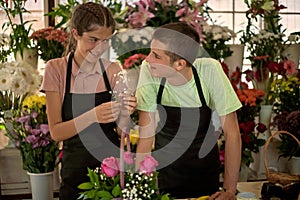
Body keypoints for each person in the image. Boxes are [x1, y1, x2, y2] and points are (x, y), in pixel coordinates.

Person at [135, 22, 242, 200]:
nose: (147, 59)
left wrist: (229, 190)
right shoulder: (149, 70)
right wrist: (140, 189)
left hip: (205, 174)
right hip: (165, 174)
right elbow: (146, 137)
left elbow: (232, 133)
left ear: (179, 64)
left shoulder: (210, 71)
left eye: (156, 55)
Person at [40, 2, 136, 199]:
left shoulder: (113, 70)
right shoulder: (56, 69)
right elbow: (56, 132)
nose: (100, 48)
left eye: (106, 41)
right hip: (75, 172)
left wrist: (126, 112)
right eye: (93, 39)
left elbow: (121, 131)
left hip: (111, 174)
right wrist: (93, 115)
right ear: (75, 34)